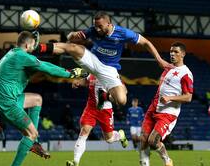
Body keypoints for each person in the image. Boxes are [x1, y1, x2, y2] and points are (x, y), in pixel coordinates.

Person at [0, 31, 88, 166]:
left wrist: (35, 40)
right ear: (27, 45)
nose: (34, 47)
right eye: (33, 45)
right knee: (31, 133)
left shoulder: (14, 53)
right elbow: (46, 67)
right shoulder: (22, 57)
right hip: (5, 100)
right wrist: (70, 73)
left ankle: (34, 143)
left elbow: (32, 54)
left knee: (36, 100)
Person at [37, 11, 165, 108]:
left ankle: (105, 96)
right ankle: (39, 47)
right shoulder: (93, 30)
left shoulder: (123, 33)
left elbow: (146, 42)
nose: (97, 29)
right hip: (92, 61)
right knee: (72, 47)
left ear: (109, 24)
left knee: (122, 101)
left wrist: (158, 59)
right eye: (95, 26)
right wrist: (72, 35)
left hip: (109, 69)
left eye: (100, 26)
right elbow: (73, 39)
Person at [136, 42, 193, 166]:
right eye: (171, 52)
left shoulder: (186, 74)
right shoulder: (168, 67)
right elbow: (158, 59)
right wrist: (147, 44)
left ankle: (168, 161)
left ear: (183, 54)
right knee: (143, 140)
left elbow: (188, 97)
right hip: (153, 108)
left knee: (153, 141)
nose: (172, 54)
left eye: (176, 52)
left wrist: (170, 98)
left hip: (168, 113)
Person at [66, 74, 128, 166]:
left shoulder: (111, 73)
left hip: (105, 110)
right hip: (91, 108)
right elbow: (86, 81)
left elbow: (124, 91)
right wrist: (78, 82)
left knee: (109, 139)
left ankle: (120, 135)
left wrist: (108, 96)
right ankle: (75, 162)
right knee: (84, 132)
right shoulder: (92, 72)